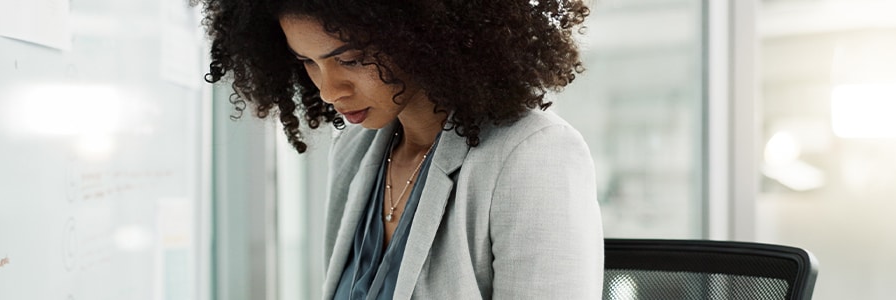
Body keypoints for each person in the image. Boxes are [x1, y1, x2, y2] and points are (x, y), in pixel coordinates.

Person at [200, 0, 601, 299]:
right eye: (308, 62)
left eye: (352, 60)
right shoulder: (356, 150)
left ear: (424, 36)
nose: (328, 89)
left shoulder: (533, 155)